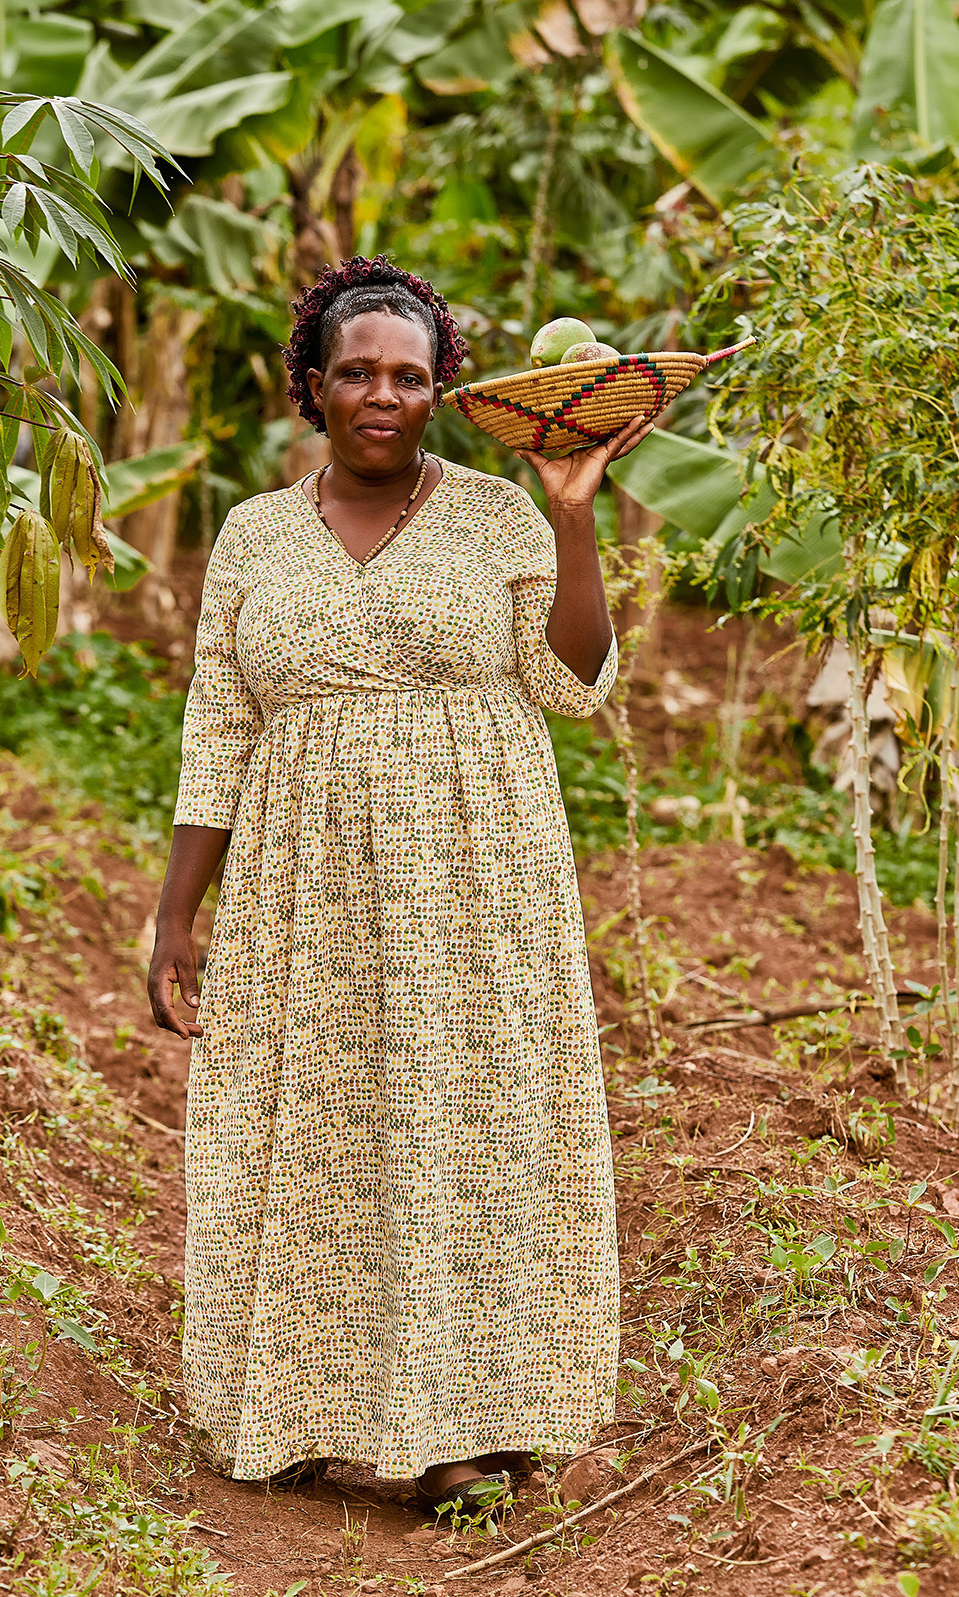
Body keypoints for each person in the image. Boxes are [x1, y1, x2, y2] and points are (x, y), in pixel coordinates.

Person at [147, 255, 656, 1513]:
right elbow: (220, 723)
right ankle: (308, 1407)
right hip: (299, 873)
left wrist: (576, 509)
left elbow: (571, 679)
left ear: (442, 392)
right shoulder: (254, 533)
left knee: (467, 1121)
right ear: (310, 390)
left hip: (472, 867)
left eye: (409, 377)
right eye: (356, 373)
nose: (382, 394)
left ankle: (470, 1420)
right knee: (311, 1122)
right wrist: (174, 910)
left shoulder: (495, 514)